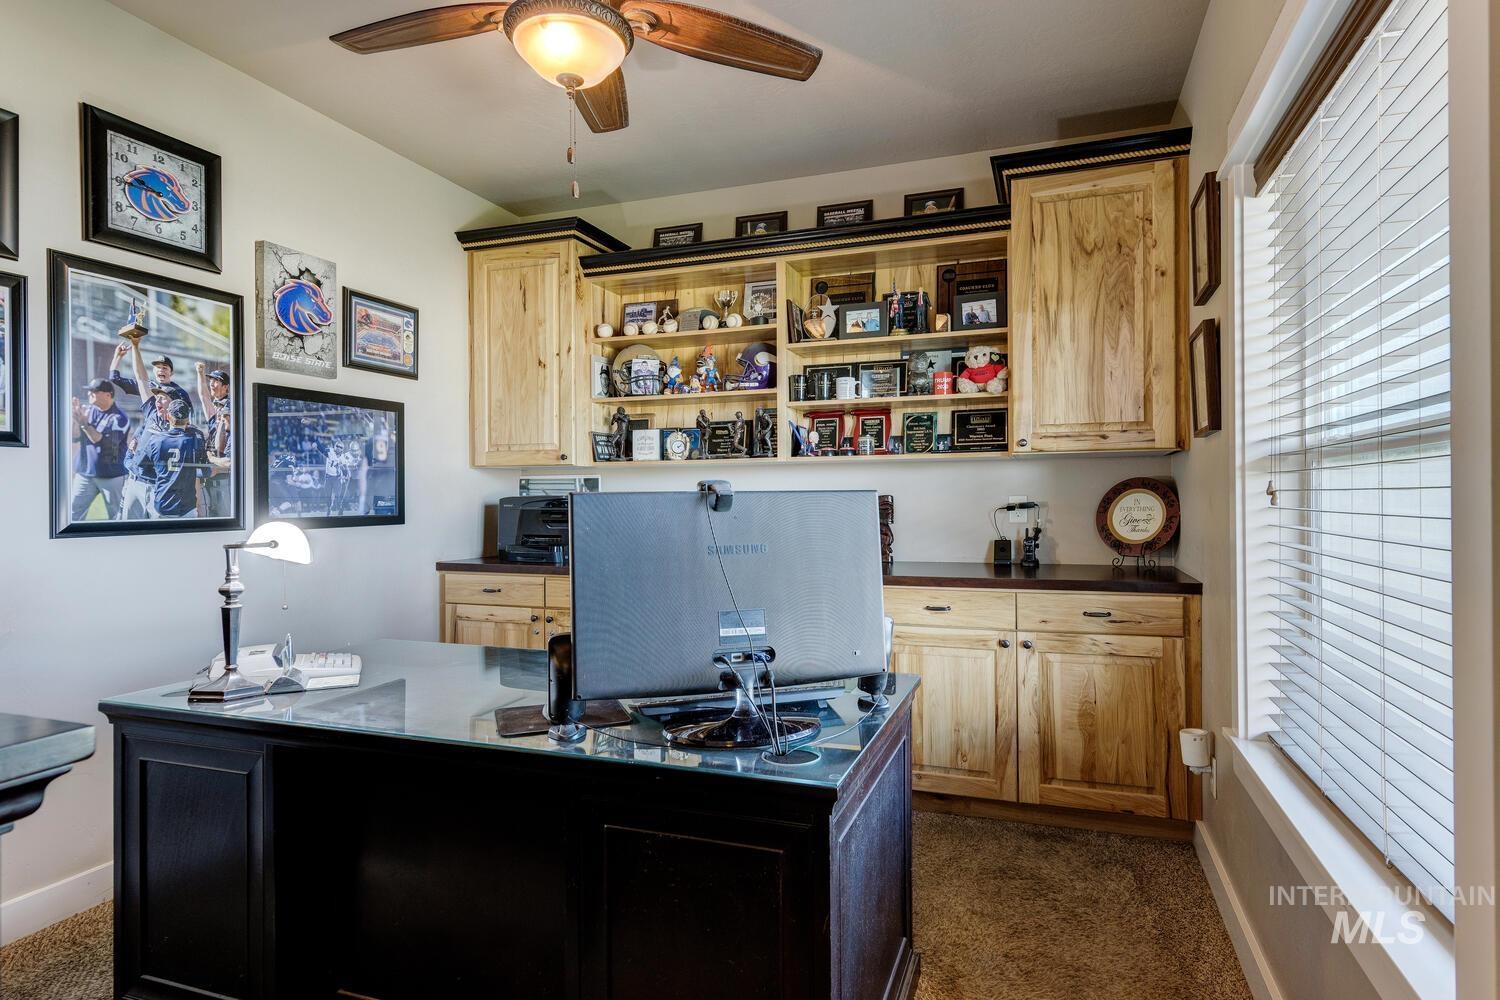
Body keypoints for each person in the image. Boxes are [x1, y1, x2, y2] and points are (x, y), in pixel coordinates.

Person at [68, 378, 130, 521]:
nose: (90, 394)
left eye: (94, 391)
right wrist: (75, 419)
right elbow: (74, 437)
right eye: (89, 391)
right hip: (85, 473)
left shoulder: (119, 418)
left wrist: (84, 424)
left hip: (112, 475)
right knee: (73, 514)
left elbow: (100, 441)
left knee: (117, 516)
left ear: (108, 395)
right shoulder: (88, 411)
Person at [137, 398, 211, 518]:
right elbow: (206, 471)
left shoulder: (155, 440)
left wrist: (163, 476)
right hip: (186, 507)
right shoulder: (195, 439)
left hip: (161, 503)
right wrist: (186, 473)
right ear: (187, 419)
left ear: (168, 416)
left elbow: (142, 470)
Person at [196, 363, 232, 516]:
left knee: (224, 514)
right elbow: (203, 397)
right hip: (211, 472)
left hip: (224, 475)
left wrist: (211, 459)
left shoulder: (231, 407)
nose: (212, 383)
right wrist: (200, 373)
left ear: (226, 387)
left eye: (216, 380)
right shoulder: (216, 408)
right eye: (211, 380)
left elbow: (226, 453)